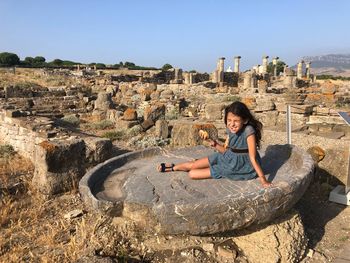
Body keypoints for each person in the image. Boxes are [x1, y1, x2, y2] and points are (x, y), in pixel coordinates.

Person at [157, 101, 272, 188]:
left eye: (236, 121)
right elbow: (228, 151)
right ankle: (173, 167)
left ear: (245, 120)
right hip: (228, 157)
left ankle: (184, 167)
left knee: (192, 174)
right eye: (229, 120)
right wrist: (213, 143)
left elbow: (252, 157)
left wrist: (263, 180)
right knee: (194, 164)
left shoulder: (248, 131)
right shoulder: (230, 130)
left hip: (239, 166)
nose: (232, 124)